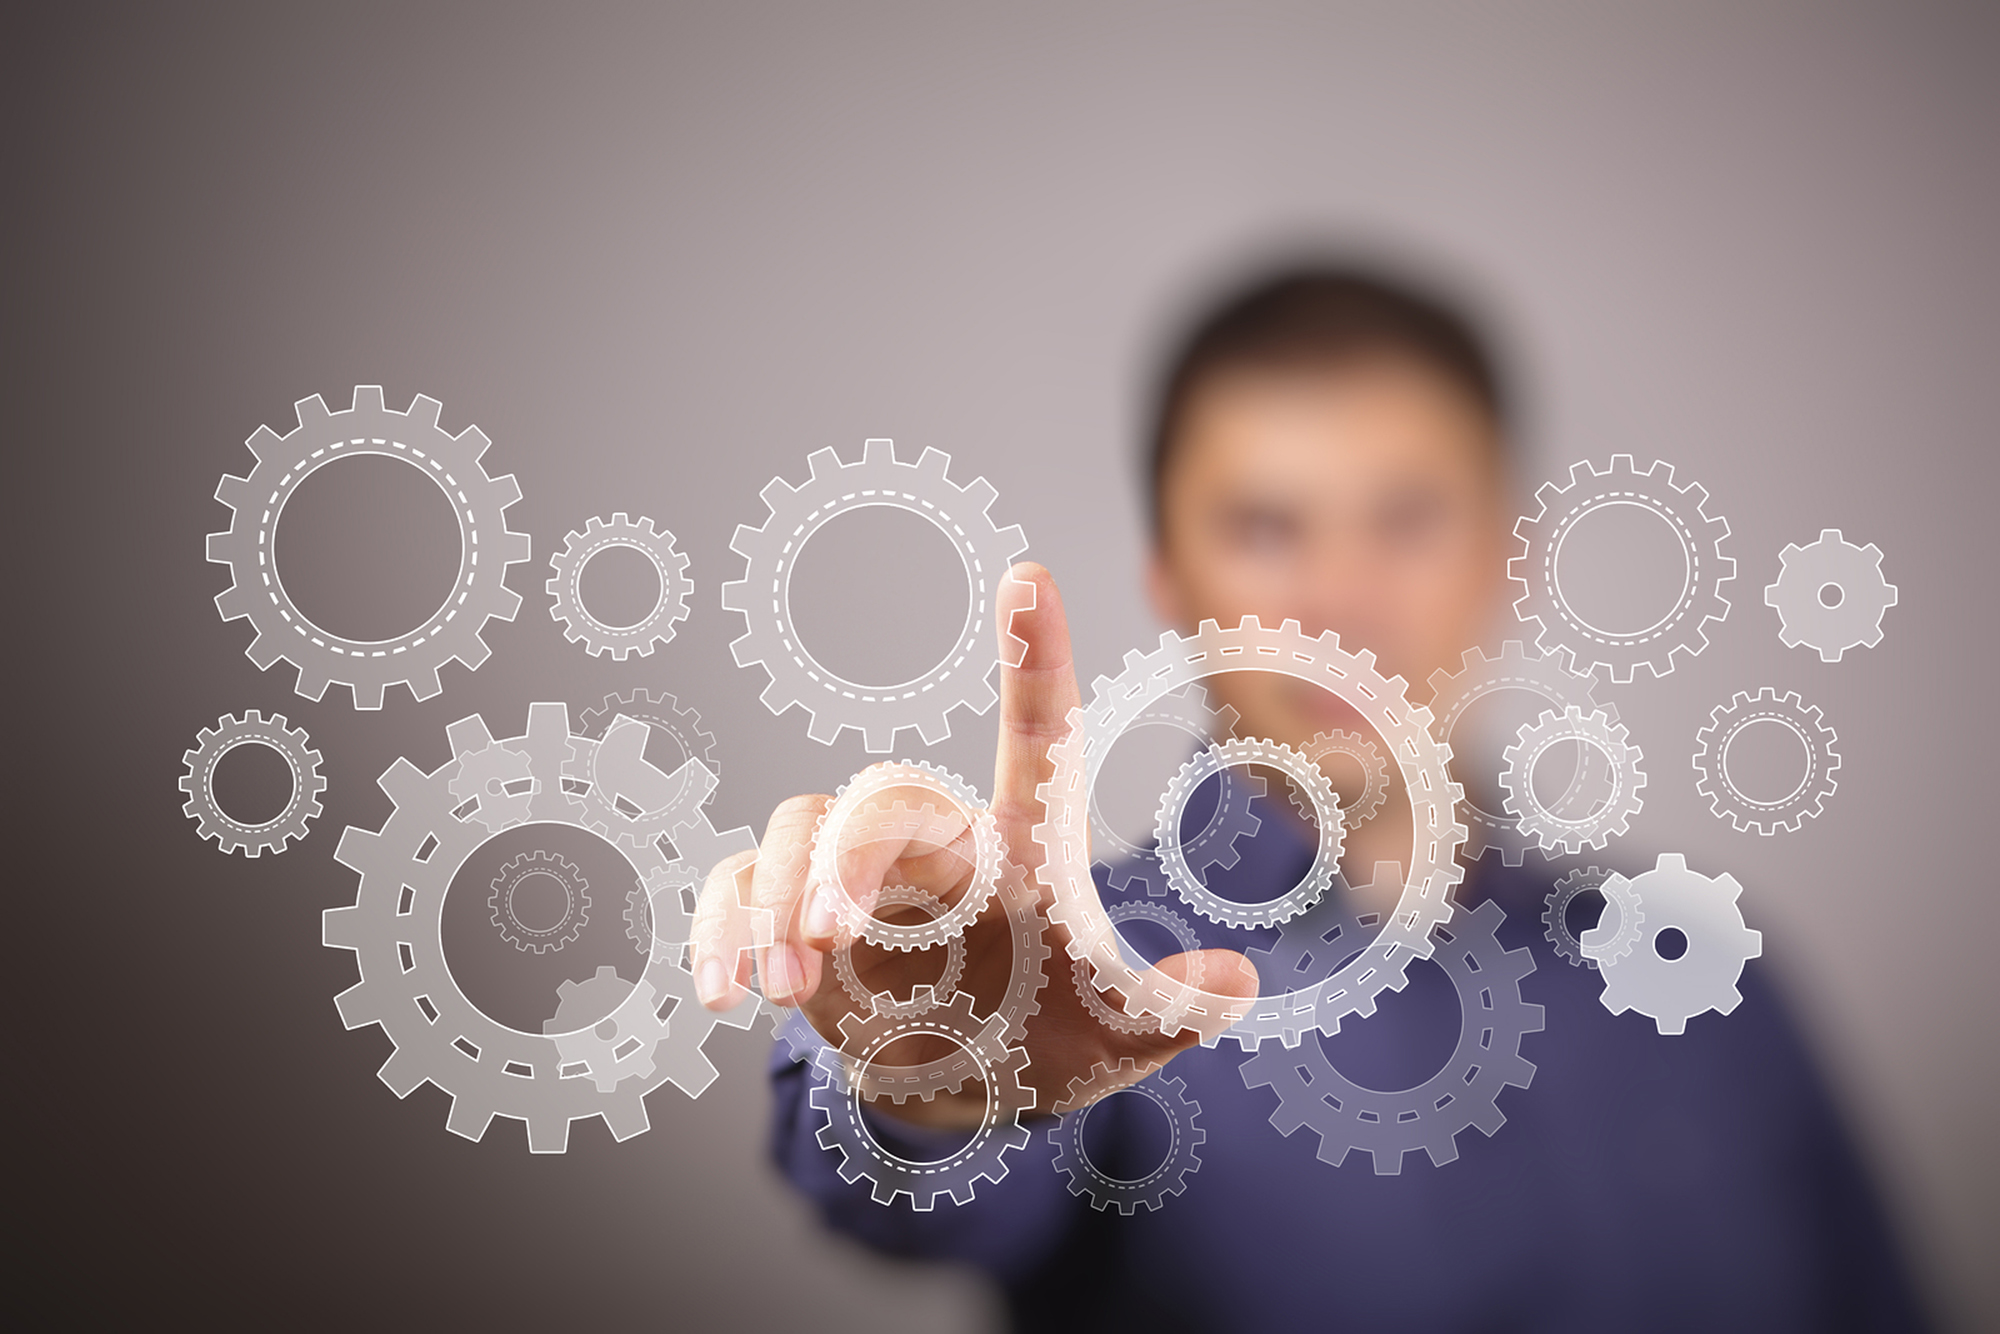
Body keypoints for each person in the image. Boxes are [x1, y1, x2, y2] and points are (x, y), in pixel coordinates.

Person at [690, 268, 1930, 1331]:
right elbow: (920, 1193)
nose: (1342, 601)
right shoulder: (1093, 971)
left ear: (1511, 555)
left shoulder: (1699, 968)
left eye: (1406, 517)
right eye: (1267, 527)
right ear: (1170, 574)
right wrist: (933, 1060)